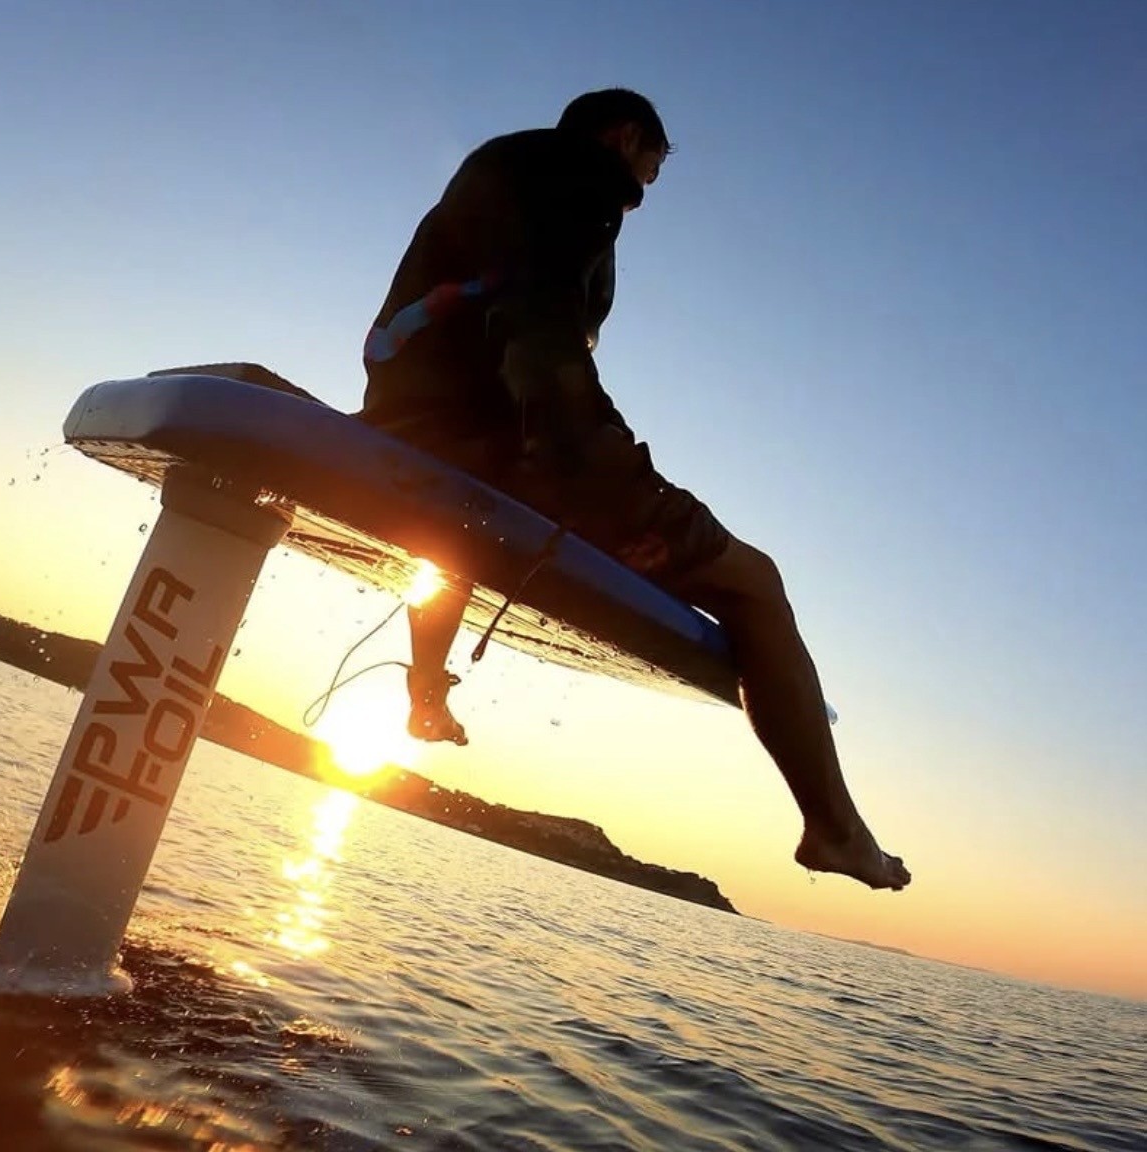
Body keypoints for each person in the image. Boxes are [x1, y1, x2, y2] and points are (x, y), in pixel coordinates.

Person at [361, 89, 910, 891]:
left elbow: (492, 317)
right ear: (626, 138)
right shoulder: (580, 178)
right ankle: (835, 830)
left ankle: (424, 690)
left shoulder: (501, 169)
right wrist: (596, 478)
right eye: (653, 166)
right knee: (756, 585)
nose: (646, 188)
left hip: (408, 421)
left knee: (459, 527)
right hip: (517, 445)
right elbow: (538, 333)